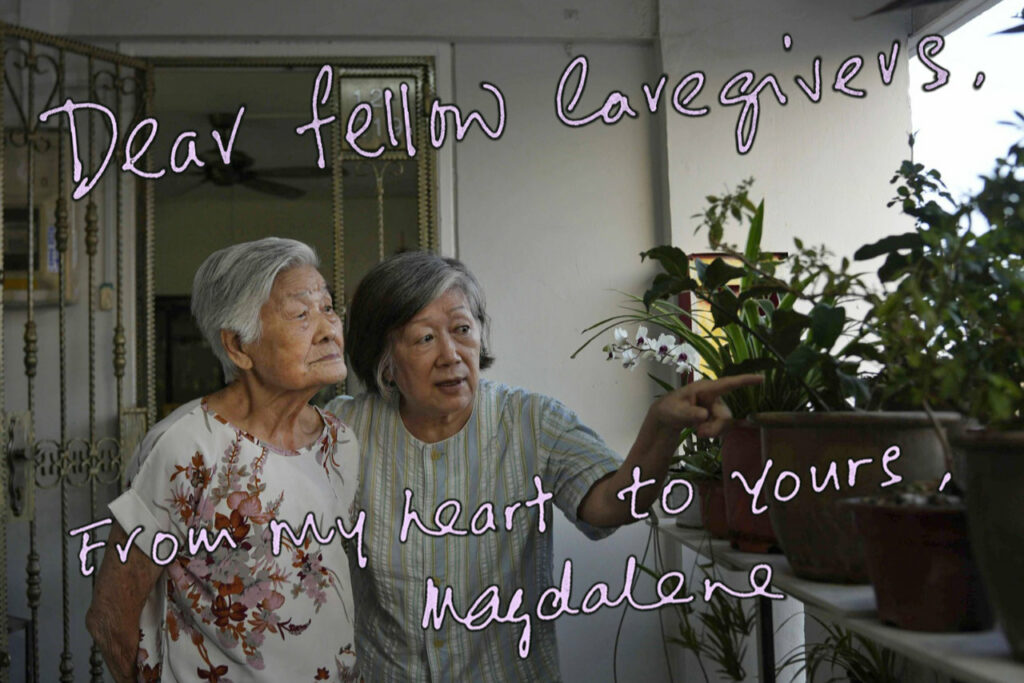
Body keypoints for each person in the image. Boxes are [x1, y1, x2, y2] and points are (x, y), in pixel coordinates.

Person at [327, 250, 760, 681]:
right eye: (424, 338)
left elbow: (613, 503)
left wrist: (661, 428)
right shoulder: (346, 429)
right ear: (385, 359)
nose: (451, 354)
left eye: (462, 329)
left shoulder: (531, 420)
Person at [87, 238, 360, 682]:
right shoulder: (186, 448)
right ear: (238, 346)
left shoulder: (340, 443)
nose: (330, 328)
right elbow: (109, 616)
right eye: (301, 314)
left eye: (329, 307)